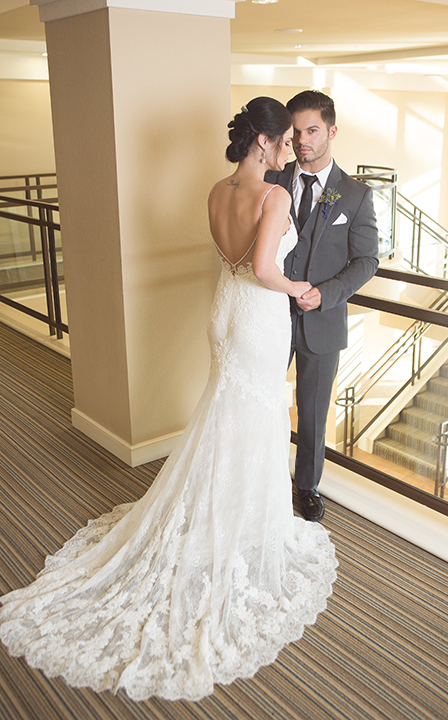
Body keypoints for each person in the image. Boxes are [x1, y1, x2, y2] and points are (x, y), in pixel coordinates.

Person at [0, 97, 337, 703]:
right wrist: (300, 288)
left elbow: (231, 259)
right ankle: (242, 525)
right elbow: (262, 267)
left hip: (224, 313)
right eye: (284, 139)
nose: (290, 147)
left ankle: (223, 511)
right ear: (263, 142)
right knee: (254, 418)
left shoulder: (215, 190)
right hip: (259, 315)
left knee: (224, 413)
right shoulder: (276, 195)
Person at [266, 90, 379, 523]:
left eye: (312, 130)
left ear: (331, 131)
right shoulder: (273, 180)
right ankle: (263, 474)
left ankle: (306, 486)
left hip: (322, 318)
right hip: (270, 313)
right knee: (264, 396)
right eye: (295, 132)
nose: (302, 140)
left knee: (313, 408)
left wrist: (326, 293)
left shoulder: (355, 195)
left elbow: (366, 260)